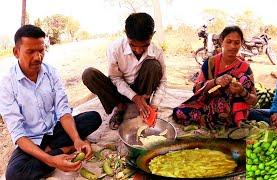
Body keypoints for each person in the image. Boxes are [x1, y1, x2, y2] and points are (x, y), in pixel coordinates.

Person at [0, 25, 102, 179]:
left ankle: (59, 148)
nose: (38, 57)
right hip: (31, 140)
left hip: (56, 130)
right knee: (14, 175)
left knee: (93, 117)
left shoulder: (51, 72)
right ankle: (62, 150)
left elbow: (63, 111)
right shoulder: (7, 84)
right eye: (30, 52)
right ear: (16, 52)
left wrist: (77, 140)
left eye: (41, 50)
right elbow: (18, 134)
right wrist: (52, 160)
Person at [82, 12, 166, 130]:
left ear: (153, 35)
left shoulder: (157, 52)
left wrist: (154, 105)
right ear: (126, 35)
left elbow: (163, 81)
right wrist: (134, 97)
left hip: (142, 90)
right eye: (133, 45)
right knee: (89, 74)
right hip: (119, 92)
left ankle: (145, 105)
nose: (138, 50)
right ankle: (120, 108)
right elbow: (115, 78)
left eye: (144, 46)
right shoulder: (115, 48)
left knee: (154, 66)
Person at [173, 26, 257, 129]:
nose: (232, 46)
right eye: (229, 41)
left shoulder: (244, 67)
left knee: (243, 78)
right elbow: (196, 89)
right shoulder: (211, 63)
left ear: (241, 43)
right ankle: (215, 119)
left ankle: (236, 120)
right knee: (179, 112)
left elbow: (254, 100)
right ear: (222, 41)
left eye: (237, 43)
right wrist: (216, 81)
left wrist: (242, 91)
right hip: (209, 106)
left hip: (233, 111)